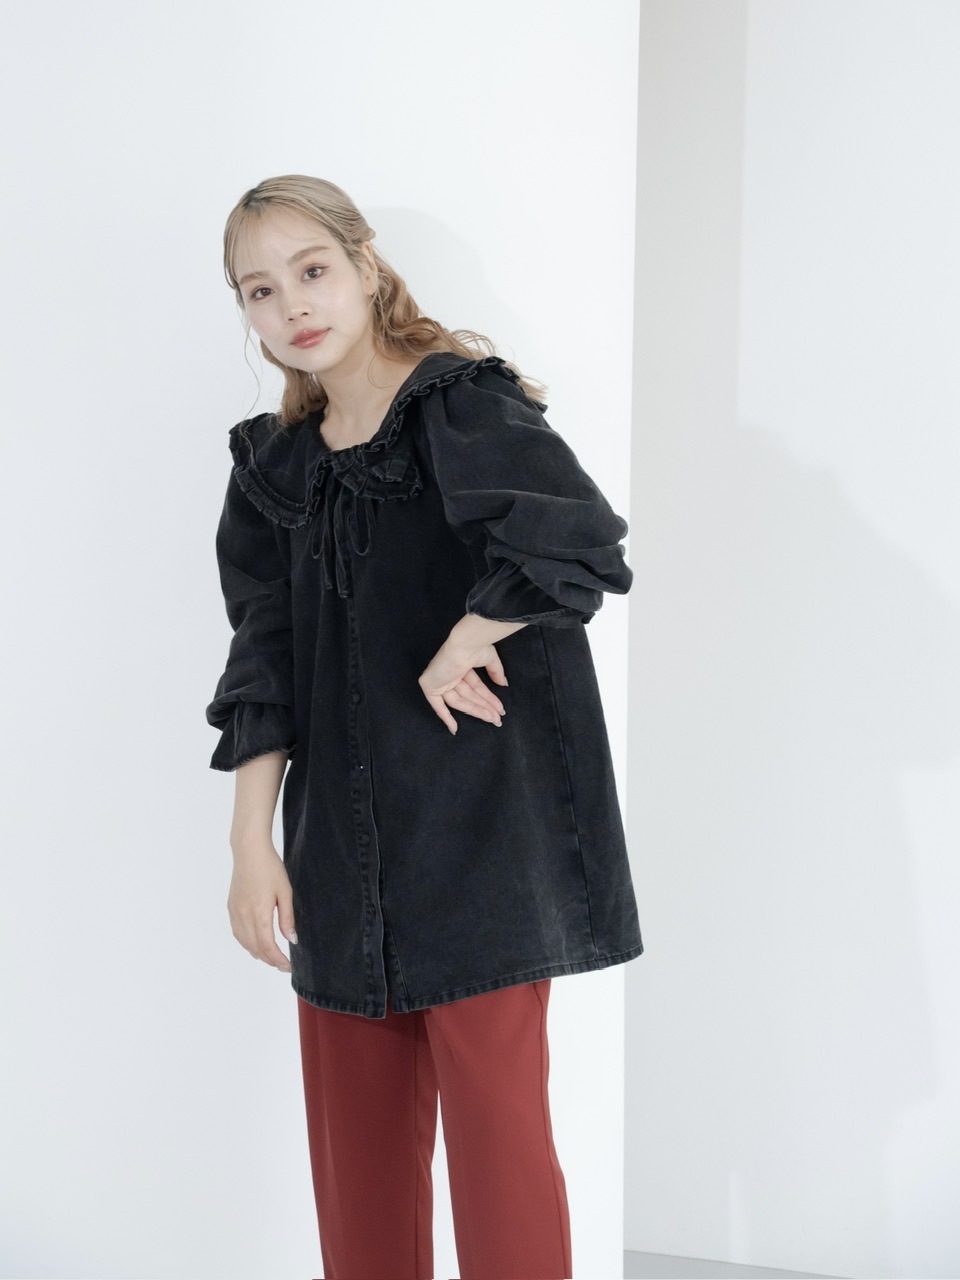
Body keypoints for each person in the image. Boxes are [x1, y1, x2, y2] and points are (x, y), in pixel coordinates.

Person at [204, 174, 644, 1280]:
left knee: (501, 1158)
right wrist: (252, 839)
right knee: (357, 1172)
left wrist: (467, 633)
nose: (293, 304)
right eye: (261, 289)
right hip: (340, 855)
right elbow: (263, 659)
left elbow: (579, 540)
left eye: (311, 270)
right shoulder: (275, 471)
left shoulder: (459, 405)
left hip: (487, 842)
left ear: (364, 265)